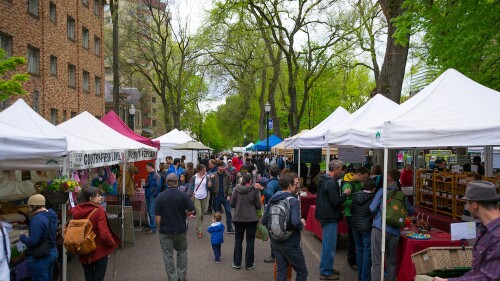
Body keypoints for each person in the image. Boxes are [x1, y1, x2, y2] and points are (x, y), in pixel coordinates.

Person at [433, 180, 500, 281]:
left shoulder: (496, 236)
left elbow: (488, 278)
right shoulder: (484, 229)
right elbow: (476, 272)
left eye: (467, 203)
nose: (467, 207)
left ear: (475, 205)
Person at [262, 172, 308, 281]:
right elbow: (296, 223)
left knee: (281, 272)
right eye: (295, 184)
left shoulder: (273, 199)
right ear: (290, 186)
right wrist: (302, 223)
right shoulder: (293, 201)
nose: (296, 187)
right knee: (302, 272)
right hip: (291, 243)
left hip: (275, 242)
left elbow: (264, 220)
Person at [370, 169, 414, 281]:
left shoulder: (381, 191)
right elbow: (411, 210)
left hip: (380, 227)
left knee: (377, 260)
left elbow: (372, 208)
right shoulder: (401, 194)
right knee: (391, 260)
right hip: (395, 231)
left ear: (389, 179)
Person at [70, 187, 120, 281]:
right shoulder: (99, 211)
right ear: (91, 199)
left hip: (83, 249)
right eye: (98, 196)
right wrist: (112, 243)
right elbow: (104, 234)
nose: (101, 197)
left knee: (88, 277)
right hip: (99, 251)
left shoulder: (77, 211)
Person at [155, 173, 195, 281]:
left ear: (166, 182)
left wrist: (160, 228)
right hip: (180, 229)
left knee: (168, 255)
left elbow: (157, 217)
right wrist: (184, 215)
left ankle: (172, 278)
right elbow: (191, 210)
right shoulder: (183, 195)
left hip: (165, 230)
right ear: (177, 182)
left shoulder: (160, 196)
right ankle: (181, 277)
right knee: (182, 252)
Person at [316, 160, 350, 280]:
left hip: (325, 215)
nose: (342, 172)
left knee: (328, 245)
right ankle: (325, 272)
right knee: (329, 246)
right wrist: (345, 194)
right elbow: (336, 201)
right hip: (329, 216)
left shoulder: (324, 180)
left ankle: (327, 268)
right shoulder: (331, 183)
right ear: (335, 169)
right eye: (341, 169)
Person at [20, 194, 58, 281]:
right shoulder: (52, 214)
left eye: (29, 207)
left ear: (34, 206)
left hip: (41, 256)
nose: (28, 210)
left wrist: (22, 237)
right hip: (53, 252)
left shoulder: (37, 219)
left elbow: (33, 241)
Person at [230, 173, 264, 270]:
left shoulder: (236, 189)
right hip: (251, 219)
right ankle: (249, 264)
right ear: (250, 181)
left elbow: (232, 204)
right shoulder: (254, 191)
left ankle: (237, 263)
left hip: (239, 218)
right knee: (250, 240)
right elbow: (258, 205)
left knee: (238, 239)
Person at [341, 166, 370, 268]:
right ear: (359, 175)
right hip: (350, 214)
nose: (365, 180)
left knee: (356, 239)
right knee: (352, 238)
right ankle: (351, 260)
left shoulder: (357, 183)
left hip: (357, 214)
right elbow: (344, 200)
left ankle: (356, 260)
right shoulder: (348, 184)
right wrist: (356, 201)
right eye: (365, 177)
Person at [351, 178, 376, 281]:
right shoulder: (373, 197)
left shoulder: (355, 195)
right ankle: (365, 278)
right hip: (366, 226)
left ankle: (360, 275)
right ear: (373, 188)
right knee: (367, 251)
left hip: (355, 225)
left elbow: (352, 210)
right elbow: (374, 211)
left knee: (359, 250)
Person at [263, 164, 282, 263]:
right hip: (279, 208)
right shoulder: (279, 182)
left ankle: (273, 255)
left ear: (269, 172)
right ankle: (277, 254)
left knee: (272, 232)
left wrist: (262, 190)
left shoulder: (271, 184)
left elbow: (270, 195)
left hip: (272, 209)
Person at [211, 161, 235, 233]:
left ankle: (229, 227)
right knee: (216, 213)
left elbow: (230, 185)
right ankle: (216, 227)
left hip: (225, 196)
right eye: (221, 167)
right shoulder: (214, 175)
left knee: (228, 211)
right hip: (217, 196)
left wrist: (229, 194)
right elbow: (211, 187)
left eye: (224, 167)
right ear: (218, 167)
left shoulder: (227, 175)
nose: (223, 168)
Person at [189, 164, 211, 238]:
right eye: (203, 170)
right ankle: (200, 231)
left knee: (202, 215)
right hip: (196, 196)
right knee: (199, 213)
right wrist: (188, 194)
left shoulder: (207, 177)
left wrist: (209, 184)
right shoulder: (194, 177)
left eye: (205, 170)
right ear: (199, 170)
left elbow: (210, 185)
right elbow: (190, 186)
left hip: (204, 196)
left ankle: (198, 226)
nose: (205, 171)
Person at [144, 162, 161, 235]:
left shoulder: (156, 175)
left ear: (150, 167)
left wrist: (154, 195)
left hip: (152, 196)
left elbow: (158, 186)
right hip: (148, 195)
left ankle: (153, 228)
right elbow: (149, 184)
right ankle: (152, 226)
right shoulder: (150, 174)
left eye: (147, 167)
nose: (146, 168)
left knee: (151, 212)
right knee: (149, 211)